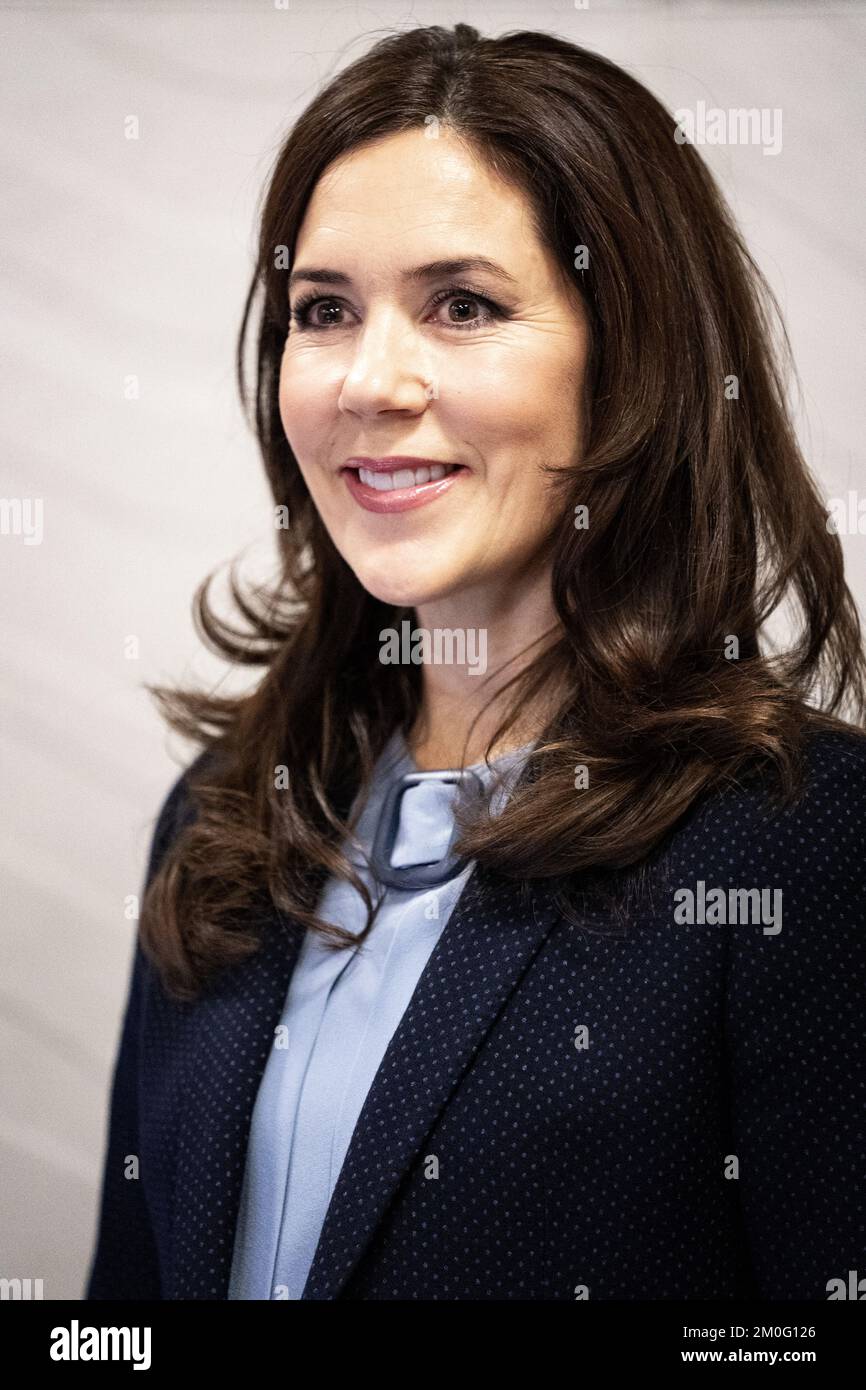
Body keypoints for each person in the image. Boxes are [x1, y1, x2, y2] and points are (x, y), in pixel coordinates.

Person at [85, 23, 866, 1301]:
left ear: (633, 361)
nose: (370, 379)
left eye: (463, 306)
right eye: (322, 311)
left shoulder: (800, 848)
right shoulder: (227, 817)